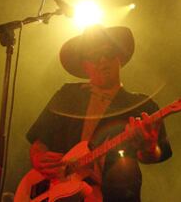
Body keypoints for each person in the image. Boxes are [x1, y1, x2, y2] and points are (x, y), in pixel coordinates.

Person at [26, 25, 172, 201]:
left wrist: (149, 147)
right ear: (84, 66)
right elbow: (39, 141)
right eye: (95, 56)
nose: (103, 60)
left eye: (109, 53)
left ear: (119, 58)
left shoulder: (142, 105)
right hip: (57, 193)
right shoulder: (67, 94)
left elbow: (157, 153)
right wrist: (38, 155)